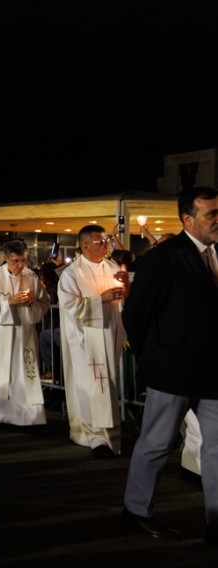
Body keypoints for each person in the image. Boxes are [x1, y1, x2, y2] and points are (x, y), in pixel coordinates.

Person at [121, 185, 218, 544]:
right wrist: (155, 355)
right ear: (188, 219)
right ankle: (135, 511)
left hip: (213, 372)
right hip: (172, 371)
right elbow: (136, 313)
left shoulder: (217, 253)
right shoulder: (165, 258)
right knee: (157, 444)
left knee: (217, 447)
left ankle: (215, 519)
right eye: (211, 214)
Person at [58, 225, 129, 458]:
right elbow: (70, 307)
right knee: (92, 384)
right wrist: (101, 299)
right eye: (101, 242)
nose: (107, 245)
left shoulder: (113, 267)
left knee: (107, 383)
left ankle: (112, 434)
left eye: (107, 241)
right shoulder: (71, 273)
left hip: (110, 333)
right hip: (85, 339)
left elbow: (123, 297)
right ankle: (94, 436)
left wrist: (124, 289)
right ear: (86, 245)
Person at [0, 238, 51, 431]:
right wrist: (9, 303)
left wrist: (32, 303)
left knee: (25, 376)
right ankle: (1, 415)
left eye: (23, 261)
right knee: (2, 376)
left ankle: (30, 418)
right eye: (15, 261)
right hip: (1, 334)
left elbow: (44, 304)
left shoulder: (32, 277)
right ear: (6, 258)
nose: (20, 266)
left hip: (25, 334)